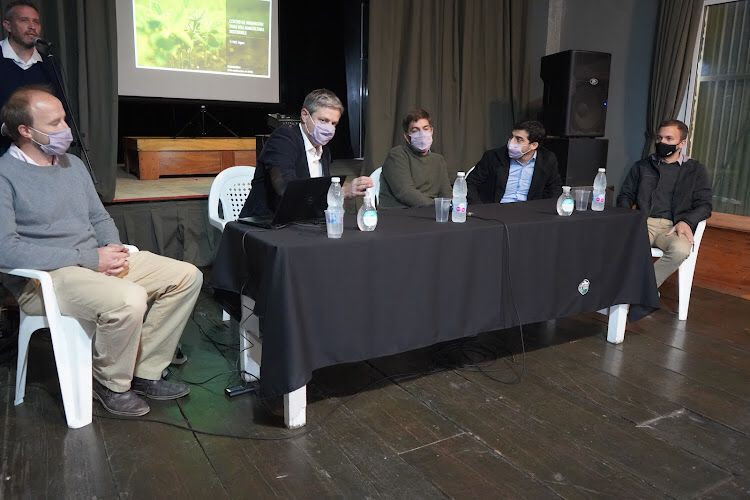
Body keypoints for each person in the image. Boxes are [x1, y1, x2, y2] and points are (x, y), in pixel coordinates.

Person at [0, 86, 203, 417]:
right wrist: (90, 259)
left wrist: (112, 248)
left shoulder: (73, 165)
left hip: (93, 261)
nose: (65, 129)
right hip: (44, 280)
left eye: (64, 119)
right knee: (129, 299)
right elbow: (6, 250)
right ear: (25, 130)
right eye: (54, 123)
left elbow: (99, 216)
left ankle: (145, 371)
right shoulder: (5, 175)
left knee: (187, 276)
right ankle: (109, 383)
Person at [239, 89, 373, 218]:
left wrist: (348, 188)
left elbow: (318, 193)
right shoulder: (283, 139)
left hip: (302, 221)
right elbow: (285, 189)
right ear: (304, 115)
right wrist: (340, 191)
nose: (329, 129)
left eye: (334, 123)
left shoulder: (324, 151)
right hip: (264, 223)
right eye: (323, 120)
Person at [617, 119, 712, 288]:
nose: (662, 142)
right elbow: (625, 195)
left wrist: (686, 222)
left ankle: (643, 289)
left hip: (674, 228)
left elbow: (705, 205)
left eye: (669, 139)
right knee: (620, 245)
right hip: (643, 223)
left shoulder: (695, 170)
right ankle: (636, 291)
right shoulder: (642, 166)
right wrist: (628, 219)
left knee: (681, 250)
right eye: (660, 138)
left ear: (682, 143)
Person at [1, 1, 63, 154]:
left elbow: (60, 105)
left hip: (40, 151)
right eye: (24, 20)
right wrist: (8, 128)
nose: (32, 26)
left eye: (36, 22)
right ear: (8, 26)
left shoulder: (48, 63)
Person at [467, 120, 562, 204]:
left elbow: (555, 188)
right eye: (512, 137)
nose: (511, 142)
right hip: (496, 209)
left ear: (533, 145)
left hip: (530, 211)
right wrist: (480, 208)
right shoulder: (493, 156)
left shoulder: (547, 159)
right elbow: (470, 183)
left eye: (519, 139)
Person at [378, 108, 452, 209]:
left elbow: (446, 194)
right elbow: (405, 193)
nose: (422, 134)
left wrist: (450, 207)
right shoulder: (397, 155)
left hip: (430, 213)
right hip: (399, 212)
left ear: (431, 131)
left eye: (425, 129)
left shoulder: (439, 160)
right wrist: (437, 207)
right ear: (407, 137)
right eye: (415, 131)